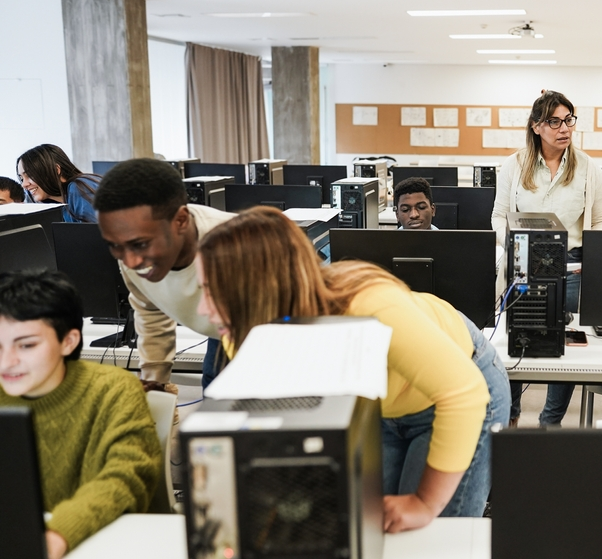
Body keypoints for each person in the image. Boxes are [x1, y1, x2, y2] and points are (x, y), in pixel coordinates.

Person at [196, 207, 509, 531]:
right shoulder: (243, 333)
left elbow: (462, 393)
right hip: (382, 407)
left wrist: (425, 503)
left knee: (427, 535)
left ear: (255, 288)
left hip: (462, 388)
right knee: (372, 525)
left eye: (212, 291)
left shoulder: (369, 306)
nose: (202, 309)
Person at [0, 269, 160, 559]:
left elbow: (124, 477)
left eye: (26, 345)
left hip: (101, 543)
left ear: (68, 341)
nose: (7, 361)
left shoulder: (113, 390)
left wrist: (58, 535)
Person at [491, 89, 602, 427]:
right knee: (519, 341)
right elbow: (499, 216)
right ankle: (511, 416)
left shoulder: (589, 168)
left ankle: (551, 421)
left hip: (571, 266)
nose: (564, 128)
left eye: (569, 120)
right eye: (555, 121)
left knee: (565, 345)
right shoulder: (513, 165)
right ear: (536, 127)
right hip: (524, 263)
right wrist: (513, 243)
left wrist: (595, 257)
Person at [93, 158, 235, 389]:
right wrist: (155, 383)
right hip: (222, 333)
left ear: (180, 221)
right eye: (114, 245)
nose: (130, 262)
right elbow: (151, 311)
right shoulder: (131, 249)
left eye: (140, 244)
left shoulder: (239, 246)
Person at [16, 144, 100, 223]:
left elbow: (93, 235)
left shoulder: (79, 187)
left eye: (30, 175)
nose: (24, 184)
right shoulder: (63, 205)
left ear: (56, 170)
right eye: (21, 178)